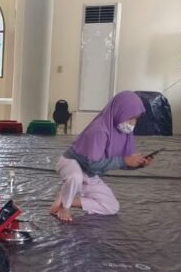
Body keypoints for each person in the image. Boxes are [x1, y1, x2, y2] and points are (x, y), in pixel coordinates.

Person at [50, 91, 152, 222]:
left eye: (136, 118)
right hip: (71, 162)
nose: (133, 122)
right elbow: (93, 163)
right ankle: (65, 206)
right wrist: (124, 160)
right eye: (130, 117)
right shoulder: (99, 130)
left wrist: (138, 163)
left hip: (89, 173)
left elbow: (118, 162)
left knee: (112, 207)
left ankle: (65, 198)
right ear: (120, 111)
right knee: (75, 177)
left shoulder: (121, 132)